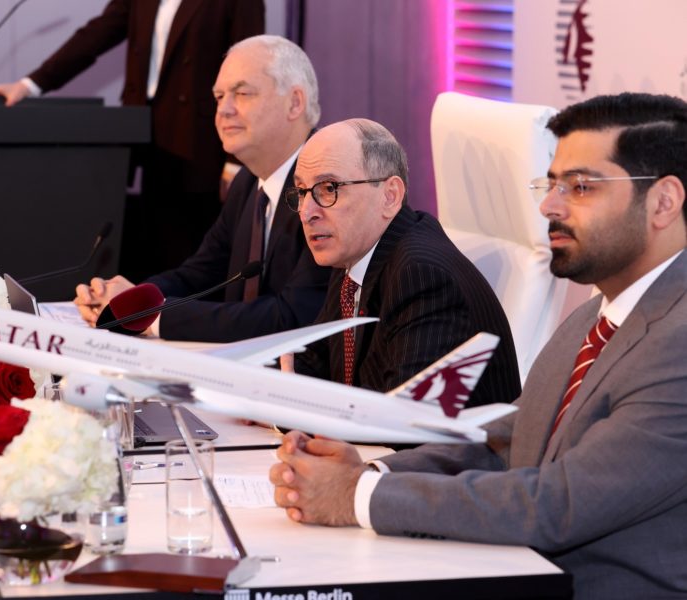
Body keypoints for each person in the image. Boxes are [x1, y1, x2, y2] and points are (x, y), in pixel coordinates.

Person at [270, 93, 687, 599]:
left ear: (663, 202)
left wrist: (358, 496)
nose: (549, 206)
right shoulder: (593, 317)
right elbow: (508, 438)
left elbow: (556, 504)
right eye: (552, 184)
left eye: (579, 187)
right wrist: (370, 471)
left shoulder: (678, 342)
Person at [0, 0, 265, 280]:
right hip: (143, 137)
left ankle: (190, 312)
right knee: (149, 251)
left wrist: (235, 160)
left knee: (192, 252)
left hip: (200, 145)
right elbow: (96, 35)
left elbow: (248, 68)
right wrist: (30, 85)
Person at [74, 35, 330, 343]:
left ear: (295, 102)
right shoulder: (246, 183)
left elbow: (292, 318)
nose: (224, 110)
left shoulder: (327, 189)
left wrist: (152, 317)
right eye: (219, 97)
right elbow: (198, 275)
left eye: (242, 93)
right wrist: (127, 302)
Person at [284, 118, 520, 403]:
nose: (306, 212)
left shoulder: (423, 276)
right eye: (302, 192)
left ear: (390, 196)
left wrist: (289, 405)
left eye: (329, 189)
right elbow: (314, 363)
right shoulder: (352, 255)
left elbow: (402, 417)